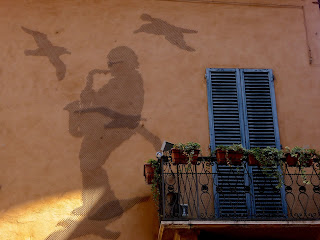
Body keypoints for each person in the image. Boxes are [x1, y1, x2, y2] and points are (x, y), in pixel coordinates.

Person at [64, 46, 144, 216]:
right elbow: (101, 100)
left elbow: (120, 106)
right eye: (108, 63)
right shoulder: (116, 81)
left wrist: (88, 110)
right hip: (105, 126)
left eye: (111, 63)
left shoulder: (131, 80)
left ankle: (105, 206)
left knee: (90, 162)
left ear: (124, 63)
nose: (108, 68)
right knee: (87, 161)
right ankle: (96, 205)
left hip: (117, 126)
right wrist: (89, 96)